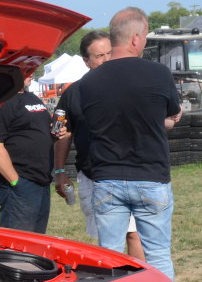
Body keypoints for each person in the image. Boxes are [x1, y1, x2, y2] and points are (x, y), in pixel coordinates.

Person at [79, 7, 182, 280]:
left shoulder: (87, 82)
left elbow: (96, 121)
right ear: (136, 38)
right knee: (158, 254)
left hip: (107, 178)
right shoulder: (159, 73)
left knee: (109, 256)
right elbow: (171, 114)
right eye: (145, 35)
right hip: (150, 176)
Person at [53, 31, 145, 260]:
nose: (106, 60)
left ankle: (141, 279)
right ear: (86, 61)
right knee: (107, 239)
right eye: (99, 56)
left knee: (134, 234)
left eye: (109, 53)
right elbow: (61, 131)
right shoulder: (73, 93)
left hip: (129, 172)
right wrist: (60, 171)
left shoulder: (131, 86)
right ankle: (116, 280)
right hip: (93, 175)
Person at [0, 73, 67, 233]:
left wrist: (55, 134)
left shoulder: (32, 98)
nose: (32, 72)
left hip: (41, 181)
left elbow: (36, 134)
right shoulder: (0, 102)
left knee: (36, 239)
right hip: (20, 182)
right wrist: (16, 182)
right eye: (27, 69)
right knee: (19, 242)